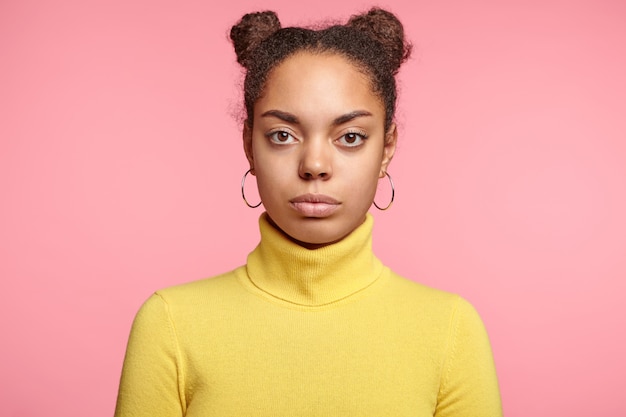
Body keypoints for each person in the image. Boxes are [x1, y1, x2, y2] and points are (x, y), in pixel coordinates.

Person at [114, 7, 502, 417]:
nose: (314, 165)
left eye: (350, 137)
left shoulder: (450, 331)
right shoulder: (170, 324)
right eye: (283, 135)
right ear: (249, 144)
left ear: (387, 147)